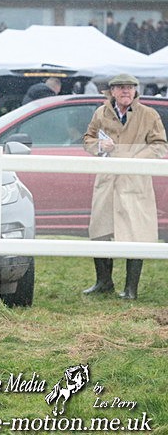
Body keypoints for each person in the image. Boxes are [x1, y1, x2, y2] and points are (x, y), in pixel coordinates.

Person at [82, 73, 167, 299]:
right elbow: (88, 139)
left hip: (135, 181)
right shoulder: (101, 113)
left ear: (135, 91)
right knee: (99, 230)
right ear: (112, 92)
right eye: (120, 88)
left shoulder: (149, 115)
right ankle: (103, 281)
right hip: (107, 179)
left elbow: (159, 145)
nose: (125, 91)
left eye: (129, 87)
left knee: (135, 232)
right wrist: (100, 145)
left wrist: (136, 159)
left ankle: (131, 289)